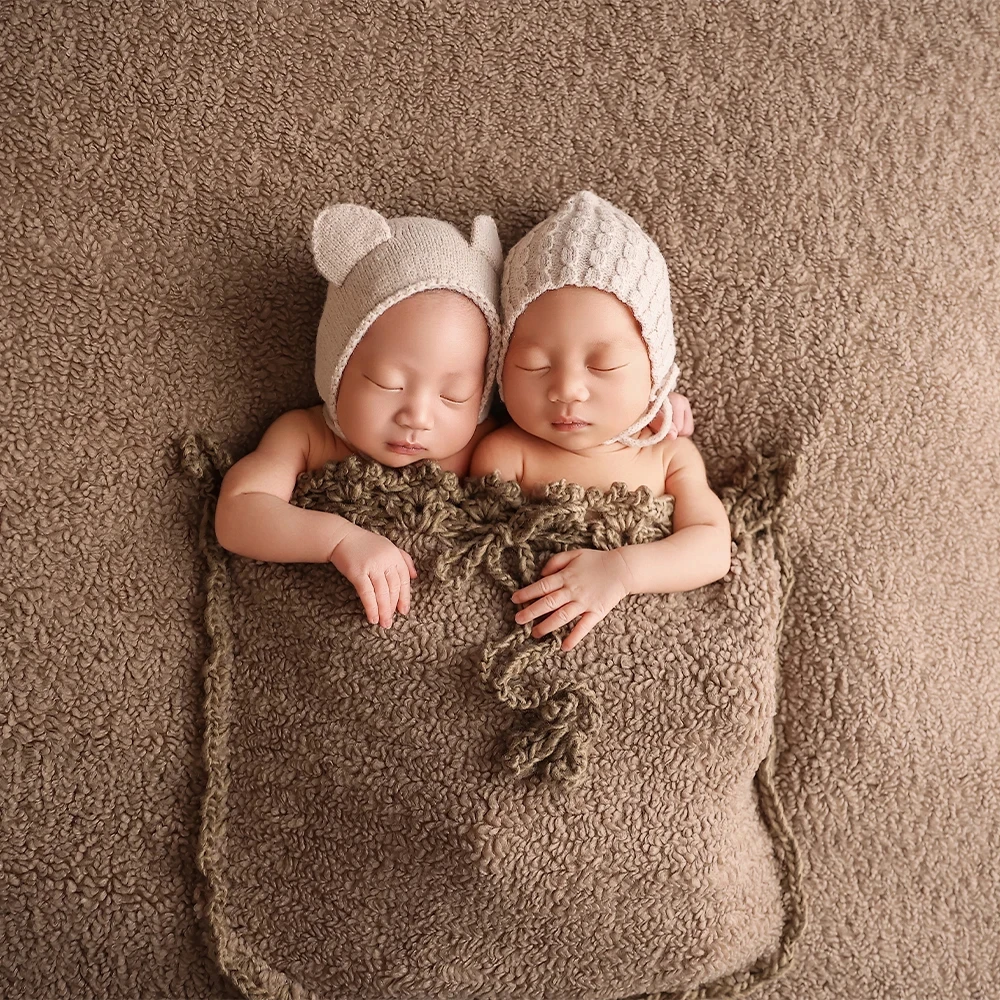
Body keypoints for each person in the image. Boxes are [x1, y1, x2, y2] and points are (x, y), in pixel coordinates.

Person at [214, 202, 505, 630]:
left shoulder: (488, 445)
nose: (417, 416)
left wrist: (636, 436)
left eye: (454, 395)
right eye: (389, 384)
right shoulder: (306, 435)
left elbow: (578, 475)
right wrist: (339, 538)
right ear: (338, 366)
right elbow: (237, 514)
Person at [470, 191, 731, 652]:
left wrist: (622, 570)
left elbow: (713, 549)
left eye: (604, 366)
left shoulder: (668, 455)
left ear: (655, 371)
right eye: (533, 364)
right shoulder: (505, 453)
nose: (567, 389)